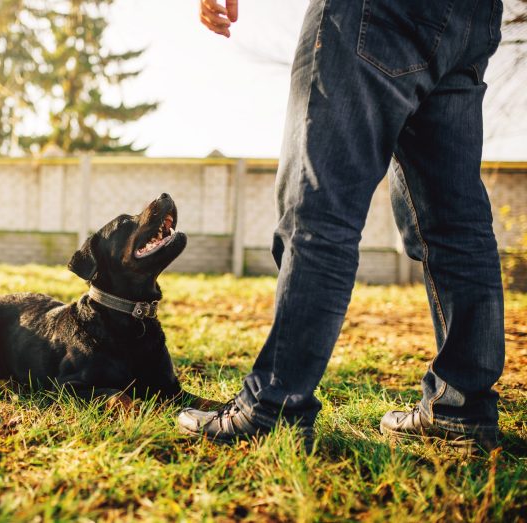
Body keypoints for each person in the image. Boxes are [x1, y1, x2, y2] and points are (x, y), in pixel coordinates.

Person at [179, 0, 505, 452]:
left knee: (318, 208)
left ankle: (274, 405)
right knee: (455, 225)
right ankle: (462, 410)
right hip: (471, 16)